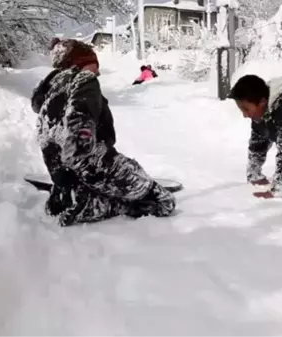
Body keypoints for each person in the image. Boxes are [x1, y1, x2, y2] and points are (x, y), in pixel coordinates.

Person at [31, 38, 176, 226]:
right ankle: (101, 204)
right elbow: (79, 120)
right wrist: (82, 158)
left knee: (85, 185)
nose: (97, 72)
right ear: (79, 63)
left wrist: (67, 176)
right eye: (94, 65)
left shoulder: (52, 91)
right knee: (163, 202)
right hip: (95, 164)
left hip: (64, 173)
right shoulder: (83, 79)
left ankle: (69, 197)